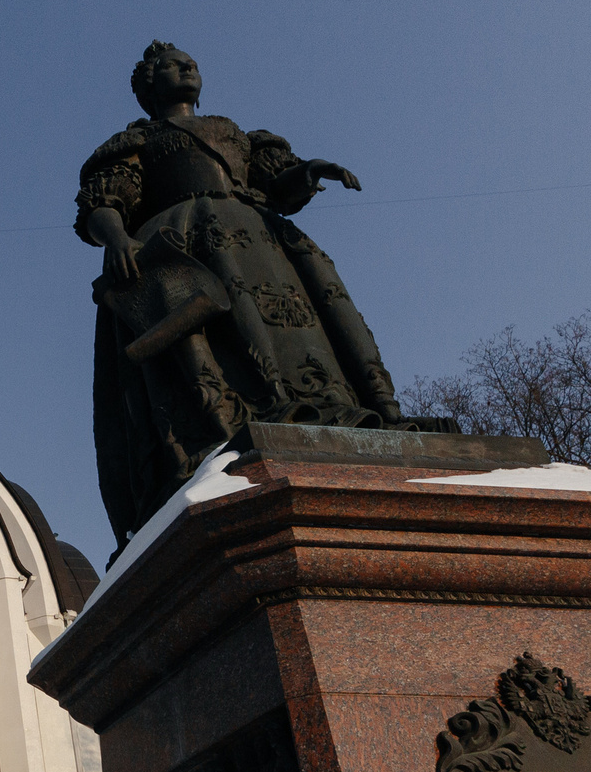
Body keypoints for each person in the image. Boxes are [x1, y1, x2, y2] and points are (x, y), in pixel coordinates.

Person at [75, 41, 436, 550]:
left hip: (260, 241)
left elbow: (277, 185)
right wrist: (116, 238)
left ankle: (324, 409)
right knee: (211, 338)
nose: (187, 70)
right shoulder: (136, 142)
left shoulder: (235, 133)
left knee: (301, 324)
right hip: (184, 248)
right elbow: (106, 200)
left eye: (192, 64)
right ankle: (221, 428)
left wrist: (306, 172)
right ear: (148, 85)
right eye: (173, 66)